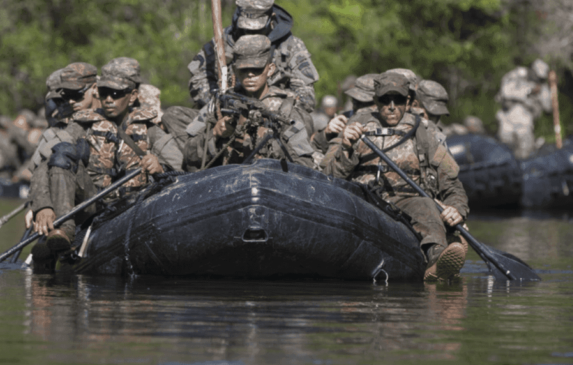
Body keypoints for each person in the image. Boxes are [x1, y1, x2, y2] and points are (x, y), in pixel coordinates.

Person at [324, 72, 469, 282]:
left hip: (406, 200)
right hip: (362, 199)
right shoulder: (354, 126)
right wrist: (346, 148)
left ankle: (437, 258)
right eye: (385, 99)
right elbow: (328, 177)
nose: (392, 106)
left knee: (426, 206)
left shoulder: (423, 132)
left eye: (399, 100)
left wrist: (457, 209)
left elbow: (452, 183)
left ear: (408, 101)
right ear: (376, 100)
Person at [27, 62, 124, 269]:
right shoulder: (67, 129)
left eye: (77, 95)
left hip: (107, 197)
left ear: (94, 90)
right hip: (78, 197)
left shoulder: (117, 113)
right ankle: (61, 232)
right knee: (61, 155)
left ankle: (62, 232)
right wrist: (41, 205)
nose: (71, 102)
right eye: (65, 97)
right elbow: (43, 168)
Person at [184, 34, 315, 170]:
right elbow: (188, 155)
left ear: (270, 69)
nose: (250, 75)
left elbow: (305, 166)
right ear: (235, 70)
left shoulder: (285, 109)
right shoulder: (221, 103)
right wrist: (215, 134)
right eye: (244, 70)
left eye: (256, 69)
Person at [187, 0, 319, 112]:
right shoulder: (223, 42)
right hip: (226, 114)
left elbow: (306, 97)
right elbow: (198, 79)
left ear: (271, 18)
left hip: (274, 116)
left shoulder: (290, 46)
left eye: (257, 29)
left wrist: (270, 102)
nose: (251, 34)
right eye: (246, 29)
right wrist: (219, 101)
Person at [98, 57, 184, 179]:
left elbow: (181, 170)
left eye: (116, 93)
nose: (108, 100)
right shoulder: (86, 127)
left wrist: (161, 169)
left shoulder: (150, 130)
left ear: (133, 96)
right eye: (103, 92)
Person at [495, 59, 552, 159]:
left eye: (541, 78)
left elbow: (548, 108)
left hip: (525, 122)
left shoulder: (542, 86)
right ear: (532, 70)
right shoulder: (518, 75)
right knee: (505, 149)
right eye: (536, 75)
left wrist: (551, 91)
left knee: (525, 152)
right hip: (507, 119)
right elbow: (506, 91)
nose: (537, 79)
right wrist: (529, 91)